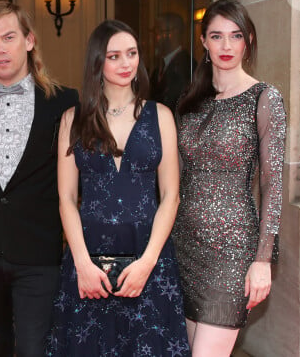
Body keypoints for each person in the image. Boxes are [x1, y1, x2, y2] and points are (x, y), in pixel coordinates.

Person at [46, 19, 190, 356]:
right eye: (114, 56)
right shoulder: (73, 118)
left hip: (149, 258)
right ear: (97, 61)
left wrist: (147, 262)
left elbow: (171, 195)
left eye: (132, 53)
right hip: (88, 261)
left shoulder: (161, 116)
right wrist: (81, 263)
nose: (126, 63)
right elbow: (66, 198)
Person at [0, 1, 78, 357]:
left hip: (39, 251)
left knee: (34, 348)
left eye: (9, 37)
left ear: (29, 40)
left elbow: (78, 180)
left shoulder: (65, 102)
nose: (0, 48)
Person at [172, 0, 286, 356]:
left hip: (233, 253)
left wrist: (263, 260)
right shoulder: (189, 102)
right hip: (184, 248)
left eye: (235, 36)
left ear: (248, 40)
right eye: (216, 36)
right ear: (203, 41)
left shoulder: (264, 98)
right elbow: (175, 177)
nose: (226, 46)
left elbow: (273, 184)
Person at [150, 12, 195, 114]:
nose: (155, 37)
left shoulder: (187, 67)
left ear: (173, 33)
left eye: (158, 31)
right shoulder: (158, 69)